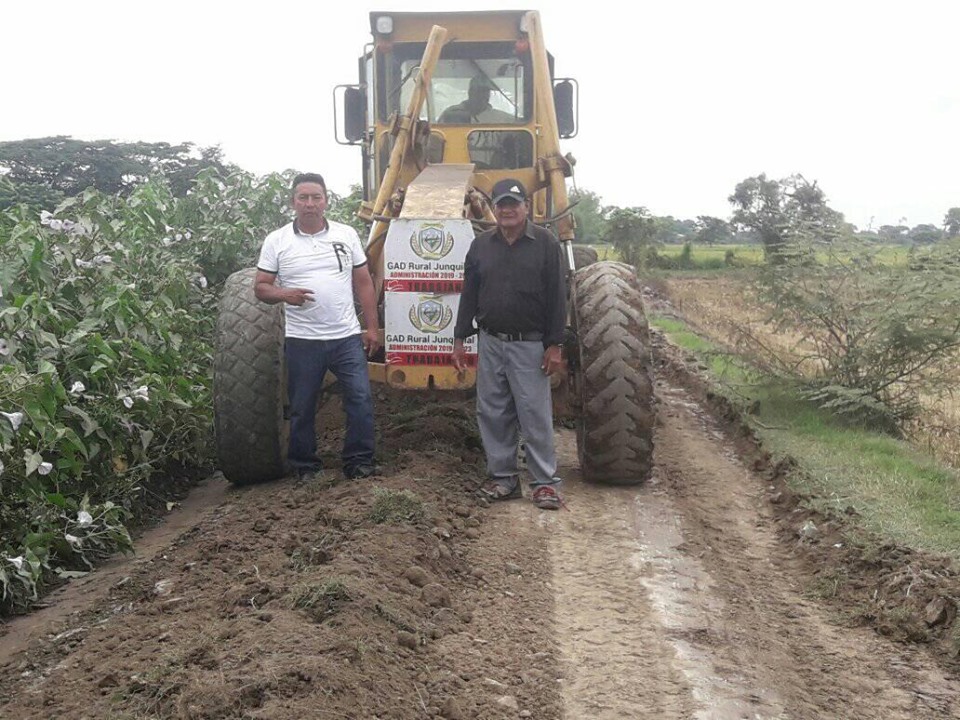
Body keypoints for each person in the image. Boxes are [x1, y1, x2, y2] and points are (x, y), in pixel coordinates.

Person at [254, 172, 381, 482]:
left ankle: (359, 462)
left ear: (325, 201)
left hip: (346, 337)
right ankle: (305, 466)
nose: (310, 203)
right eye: (303, 198)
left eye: (316, 197)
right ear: (293, 203)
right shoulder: (277, 241)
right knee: (302, 406)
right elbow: (261, 287)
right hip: (303, 340)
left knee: (360, 399)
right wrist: (285, 294)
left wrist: (372, 328)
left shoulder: (346, 235)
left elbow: (363, 282)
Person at [451, 178, 566, 510]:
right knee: (492, 411)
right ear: (494, 208)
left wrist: (555, 344)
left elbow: (558, 297)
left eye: (514, 204)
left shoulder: (545, 243)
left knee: (534, 413)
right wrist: (459, 338)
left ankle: (544, 484)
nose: (507, 210)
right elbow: (469, 294)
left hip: (530, 345)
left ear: (525, 207)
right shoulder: (481, 246)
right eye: (501, 204)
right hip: (490, 341)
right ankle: (504, 479)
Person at [439, 75, 516, 124]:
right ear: (470, 92)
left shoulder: (500, 118)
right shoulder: (450, 113)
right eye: (479, 91)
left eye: (486, 91)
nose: (483, 95)